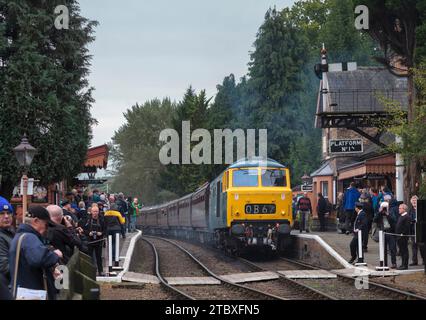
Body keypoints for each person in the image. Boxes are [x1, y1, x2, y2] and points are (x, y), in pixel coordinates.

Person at [9, 206, 63, 300]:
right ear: (36, 221)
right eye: (46, 225)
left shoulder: (20, 236)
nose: (47, 229)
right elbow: (38, 259)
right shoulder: (29, 238)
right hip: (32, 293)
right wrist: (55, 255)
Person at [81, 205, 105, 276]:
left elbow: (106, 229)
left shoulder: (102, 219)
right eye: (94, 211)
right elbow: (83, 230)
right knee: (89, 257)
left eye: (97, 211)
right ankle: (90, 271)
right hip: (90, 241)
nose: (95, 213)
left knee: (99, 257)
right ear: (91, 212)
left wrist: (101, 233)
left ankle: (100, 271)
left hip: (99, 241)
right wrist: (89, 233)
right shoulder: (87, 220)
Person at [373, 201, 397, 268]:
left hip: (390, 232)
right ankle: (384, 263)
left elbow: (394, 221)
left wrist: (387, 214)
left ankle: (394, 263)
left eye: (385, 208)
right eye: (383, 208)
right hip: (382, 233)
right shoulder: (379, 214)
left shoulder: (391, 213)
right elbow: (374, 220)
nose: (384, 209)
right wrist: (380, 212)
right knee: (383, 249)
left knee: (392, 249)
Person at [0, 204, 15, 281]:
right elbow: (4, 267)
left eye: (8, 213)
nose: (6, 216)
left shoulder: (11, 232)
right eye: (1, 213)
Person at [409, 195, 424, 266]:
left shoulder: (421, 209)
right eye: (413, 201)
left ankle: (424, 260)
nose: (414, 202)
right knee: (413, 247)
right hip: (413, 230)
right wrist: (412, 221)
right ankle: (414, 261)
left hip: (421, 231)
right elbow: (408, 219)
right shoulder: (410, 210)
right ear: (411, 202)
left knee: (422, 247)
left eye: (415, 200)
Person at [395, 204, 411, 270]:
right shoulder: (401, 216)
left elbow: (407, 227)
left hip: (403, 236)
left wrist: (402, 233)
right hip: (399, 236)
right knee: (402, 251)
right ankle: (402, 264)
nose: (399, 209)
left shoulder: (406, 217)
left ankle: (405, 265)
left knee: (404, 251)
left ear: (404, 209)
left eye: (400, 208)